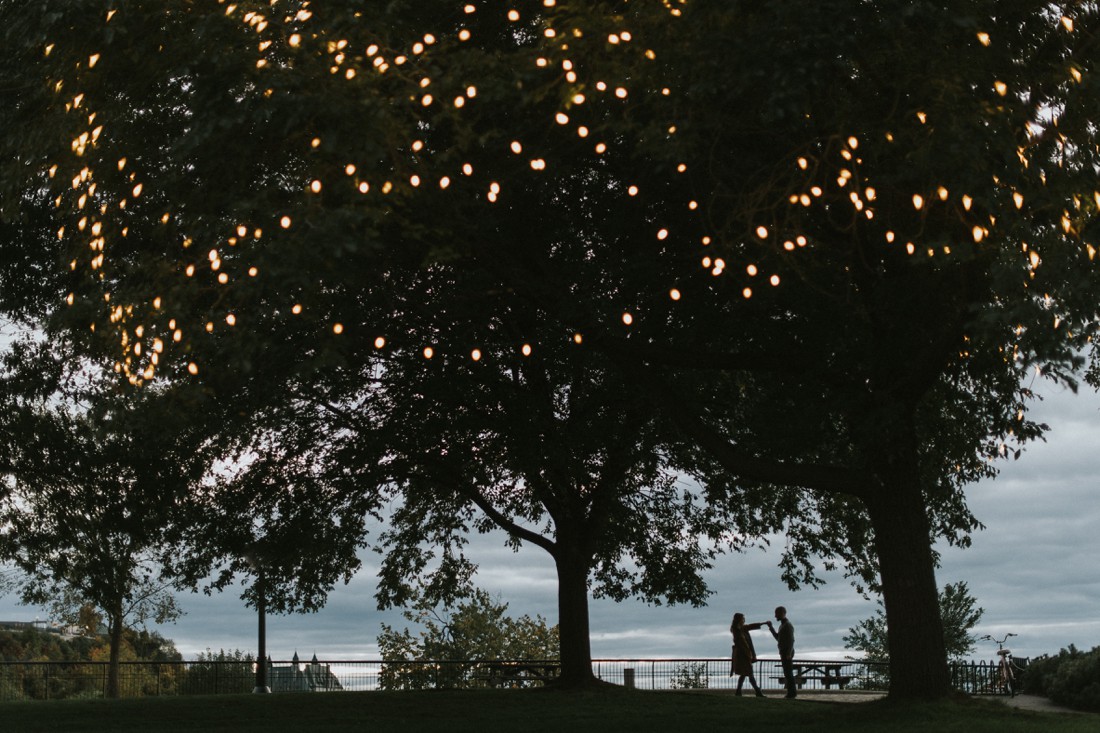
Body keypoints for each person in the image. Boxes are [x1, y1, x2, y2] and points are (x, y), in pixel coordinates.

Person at [729, 612, 766, 697]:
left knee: (744, 674)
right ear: (739, 620)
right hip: (743, 655)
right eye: (743, 619)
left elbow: (751, 626)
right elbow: (742, 645)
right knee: (749, 673)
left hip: (744, 655)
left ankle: (738, 691)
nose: (744, 620)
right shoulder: (737, 630)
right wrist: (750, 655)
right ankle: (757, 691)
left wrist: (762, 623)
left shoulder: (741, 629)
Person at [767, 606, 797, 699]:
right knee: (787, 673)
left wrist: (788, 652)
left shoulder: (787, 625)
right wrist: (771, 627)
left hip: (786, 652)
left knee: (788, 673)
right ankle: (791, 692)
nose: (775, 616)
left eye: (777, 613)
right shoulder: (782, 625)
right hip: (784, 651)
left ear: (782, 613)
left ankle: (792, 693)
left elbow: (792, 640)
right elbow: (778, 638)